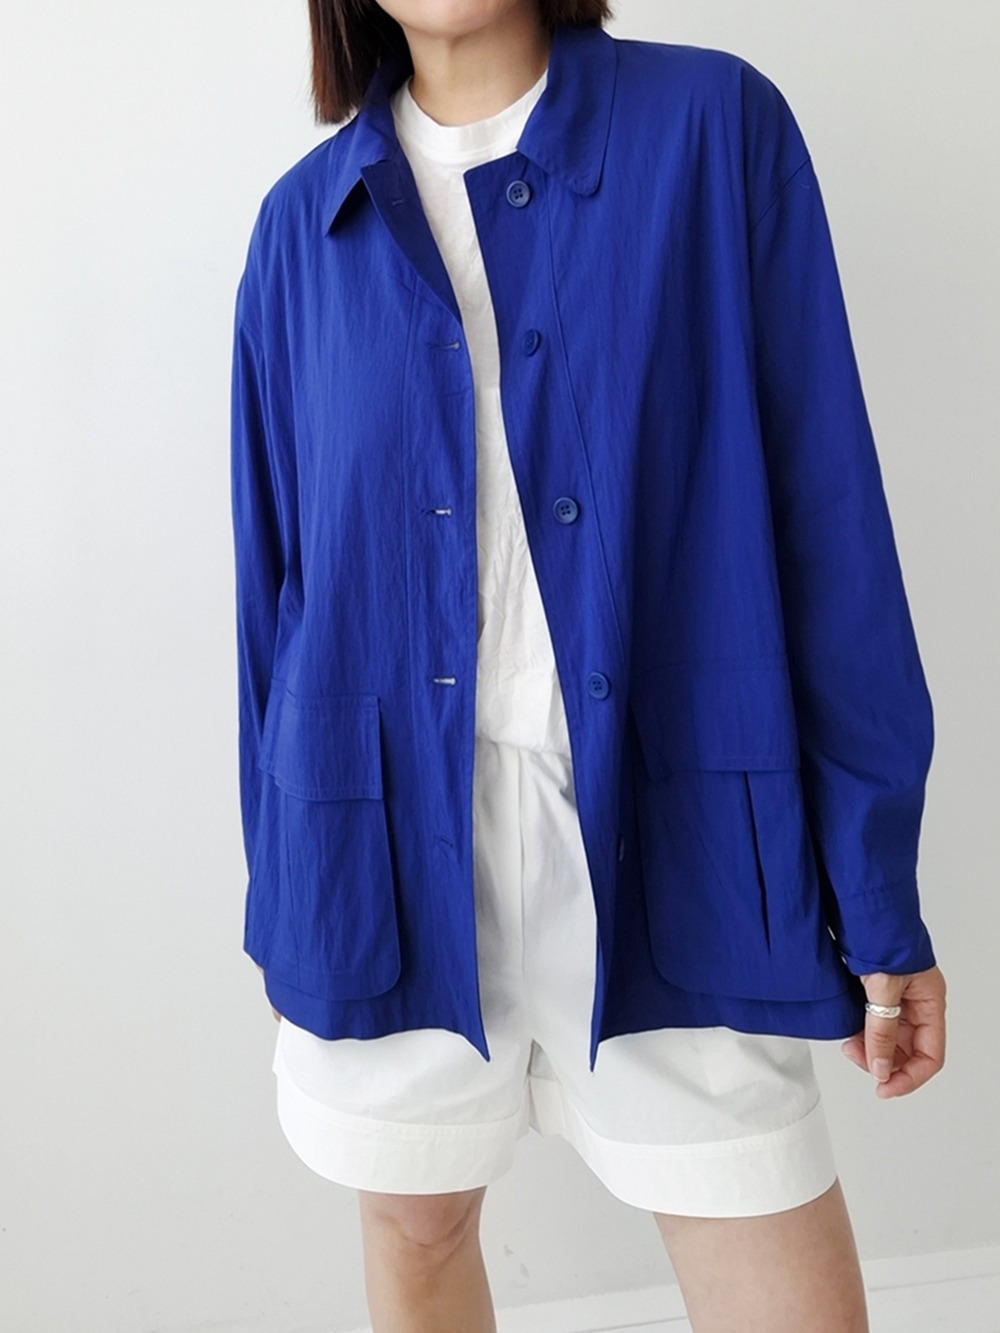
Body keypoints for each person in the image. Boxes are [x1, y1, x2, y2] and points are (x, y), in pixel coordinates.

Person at [230, 2, 948, 1329]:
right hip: (380, 851)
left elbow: (828, 519)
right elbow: (276, 600)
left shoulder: (712, 131)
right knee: (415, 1223)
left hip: (682, 830)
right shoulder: (299, 227)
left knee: (759, 1230)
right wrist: (290, 889)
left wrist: (875, 889)